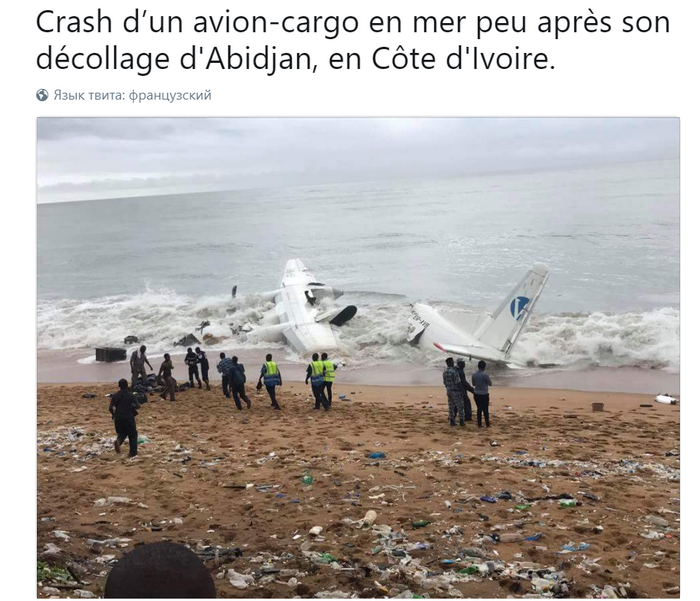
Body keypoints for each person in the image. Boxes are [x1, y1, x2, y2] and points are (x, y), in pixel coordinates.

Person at [109, 378, 139, 457]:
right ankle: (132, 453)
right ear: (127, 386)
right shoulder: (131, 395)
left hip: (118, 418)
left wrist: (113, 415)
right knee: (132, 434)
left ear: (119, 386)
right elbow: (138, 406)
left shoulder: (115, 396)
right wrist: (132, 406)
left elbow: (110, 408)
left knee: (122, 433)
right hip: (128, 418)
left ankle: (118, 442)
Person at [442, 357, 465, 426]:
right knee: (460, 406)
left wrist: (448, 387)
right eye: (452, 361)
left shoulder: (445, 372)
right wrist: (462, 390)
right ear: (451, 363)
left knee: (451, 406)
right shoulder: (454, 371)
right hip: (456, 390)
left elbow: (444, 382)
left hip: (449, 390)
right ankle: (461, 421)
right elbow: (458, 382)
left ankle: (452, 420)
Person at [472, 360, 493, 428]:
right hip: (484, 394)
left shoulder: (474, 374)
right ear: (484, 367)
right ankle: (487, 424)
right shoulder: (485, 375)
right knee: (485, 410)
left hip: (476, 393)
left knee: (479, 409)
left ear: (478, 366)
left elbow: (473, 384)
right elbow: (490, 384)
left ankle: (479, 424)